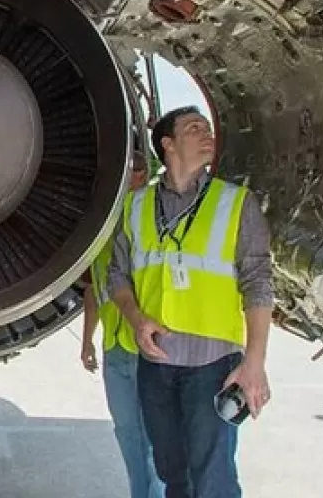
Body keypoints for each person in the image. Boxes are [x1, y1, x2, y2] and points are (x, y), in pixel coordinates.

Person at [108, 106, 274, 498]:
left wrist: (254, 363)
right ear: (167, 144)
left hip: (213, 366)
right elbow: (117, 276)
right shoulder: (135, 207)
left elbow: (258, 284)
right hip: (157, 366)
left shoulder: (236, 204)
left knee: (212, 477)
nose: (207, 135)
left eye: (207, 128)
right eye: (194, 128)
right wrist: (136, 319)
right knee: (172, 474)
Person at [79, 154, 163, 498]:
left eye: (127, 174)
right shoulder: (100, 227)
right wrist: (87, 341)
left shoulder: (151, 221)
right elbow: (93, 290)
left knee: (155, 436)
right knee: (128, 435)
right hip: (116, 350)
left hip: (150, 352)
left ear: (141, 177)